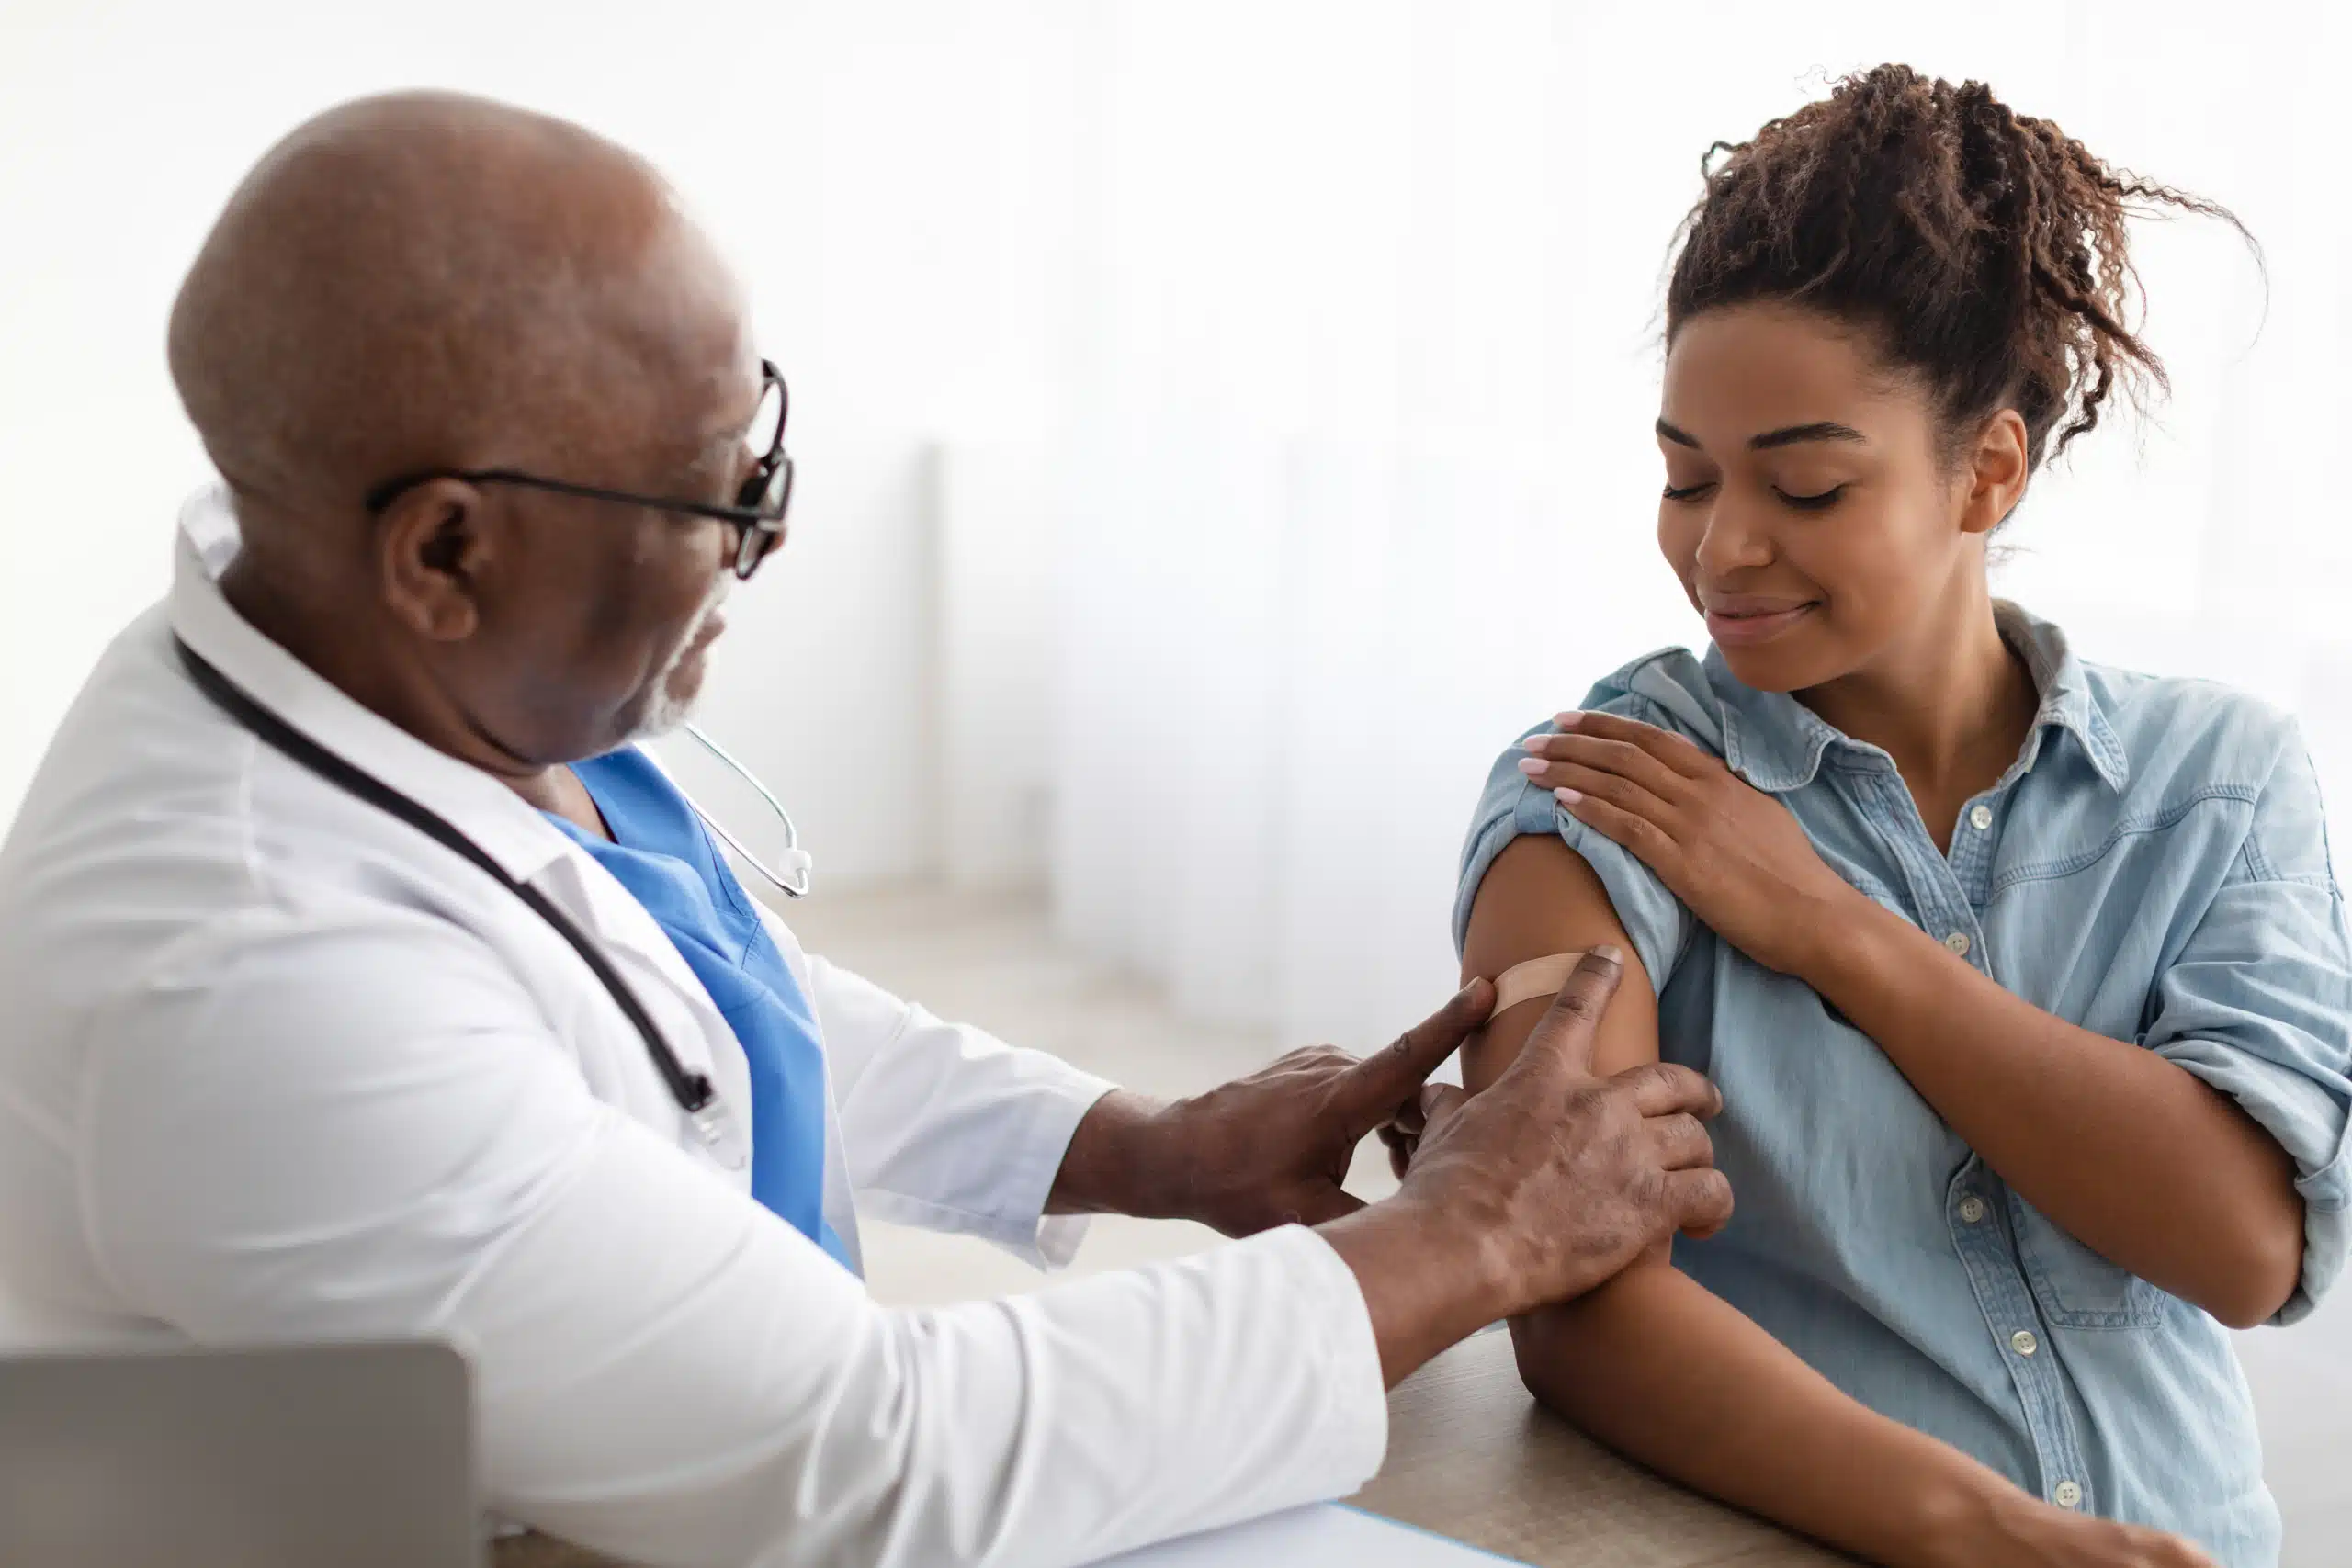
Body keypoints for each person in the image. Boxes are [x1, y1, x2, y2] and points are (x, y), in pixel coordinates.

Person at [0, 91, 1736, 1568]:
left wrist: (1146, 1144)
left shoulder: (358, 663)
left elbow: (689, 1001)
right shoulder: (250, 979)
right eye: (717, 496)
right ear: (446, 555)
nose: (762, 536)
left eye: (760, 448)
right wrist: (1465, 1238)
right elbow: (873, 1459)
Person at [1456, 65, 2350, 1568]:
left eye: (1805, 487)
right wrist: (1989, 1535)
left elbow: (2246, 1248)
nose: (1723, 547)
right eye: (1685, 479)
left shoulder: (2218, 780)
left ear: (1985, 469)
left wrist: (1836, 934)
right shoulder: (1601, 790)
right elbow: (1571, 1299)